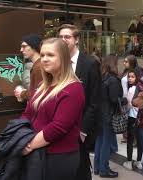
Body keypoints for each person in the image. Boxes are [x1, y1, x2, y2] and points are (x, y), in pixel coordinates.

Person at [21, 38, 85, 180]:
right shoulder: (43, 86)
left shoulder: (73, 88)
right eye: (42, 55)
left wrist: (29, 145)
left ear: (63, 58)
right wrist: (21, 139)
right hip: (37, 154)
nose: (44, 59)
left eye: (50, 55)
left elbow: (58, 127)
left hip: (58, 157)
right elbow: (27, 114)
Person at [57, 24, 102, 180]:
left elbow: (95, 100)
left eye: (67, 37)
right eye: (60, 37)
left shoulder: (90, 63)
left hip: (80, 129)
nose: (63, 40)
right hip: (60, 127)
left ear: (76, 40)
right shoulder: (58, 63)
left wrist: (83, 130)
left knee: (81, 169)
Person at [94, 54, 124, 178]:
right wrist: (125, 100)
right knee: (105, 143)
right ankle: (104, 169)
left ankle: (97, 167)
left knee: (100, 141)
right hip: (108, 115)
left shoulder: (101, 77)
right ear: (113, 64)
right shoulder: (113, 79)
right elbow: (114, 99)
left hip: (99, 115)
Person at [122, 69, 143, 170]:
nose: (130, 79)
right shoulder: (142, 88)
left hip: (132, 117)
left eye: (132, 77)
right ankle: (139, 161)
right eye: (129, 77)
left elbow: (129, 105)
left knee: (130, 140)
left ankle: (129, 161)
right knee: (140, 141)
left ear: (137, 77)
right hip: (141, 117)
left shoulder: (131, 89)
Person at [14, 34, 42, 101]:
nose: (21, 50)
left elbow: (39, 94)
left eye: (24, 46)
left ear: (34, 46)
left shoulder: (39, 67)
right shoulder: (37, 65)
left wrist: (22, 93)